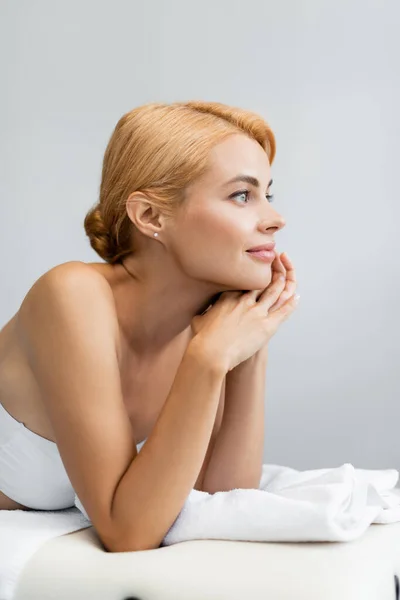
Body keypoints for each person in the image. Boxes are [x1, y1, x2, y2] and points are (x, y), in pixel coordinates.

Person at [0, 100, 296, 551]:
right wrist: (208, 359)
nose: (275, 218)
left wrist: (251, 346)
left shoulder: (210, 327)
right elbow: (128, 534)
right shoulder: (72, 295)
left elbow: (218, 504)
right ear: (151, 217)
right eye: (242, 195)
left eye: (267, 194)